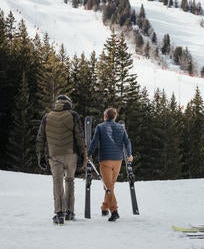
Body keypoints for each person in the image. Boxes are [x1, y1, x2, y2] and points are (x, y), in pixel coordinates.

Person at [36, 95, 87, 224]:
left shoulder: (47, 117)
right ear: (69, 103)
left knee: (57, 182)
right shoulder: (73, 115)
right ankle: (70, 212)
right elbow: (80, 136)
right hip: (71, 154)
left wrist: (40, 156)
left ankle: (59, 213)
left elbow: (40, 138)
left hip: (54, 155)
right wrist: (84, 155)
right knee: (69, 181)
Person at [87, 107, 133, 222]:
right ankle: (104, 207)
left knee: (108, 186)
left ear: (105, 116)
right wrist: (129, 154)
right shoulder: (121, 128)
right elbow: (127, 142)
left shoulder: (100, 127)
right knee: (110, 186)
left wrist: (88, 154)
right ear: (115, 117)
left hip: (106, 159)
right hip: (118, 160)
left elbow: (94, 142)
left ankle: (114, 211)